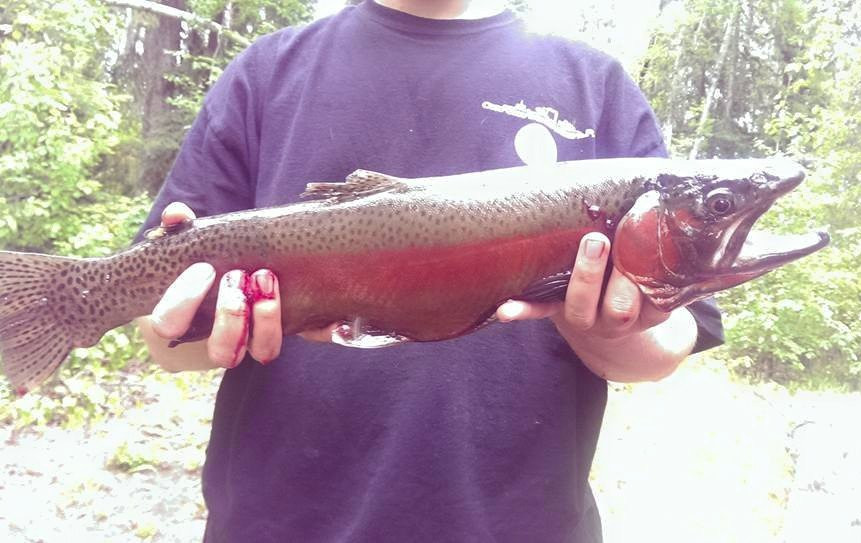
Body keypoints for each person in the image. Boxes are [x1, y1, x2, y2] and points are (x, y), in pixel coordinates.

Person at [135, 1, 724, 540]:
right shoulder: (269, 72)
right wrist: (205, 328)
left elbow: (666, 347)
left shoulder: (595, 84)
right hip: (278, 522)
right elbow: (163, 337)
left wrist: (589, 310)